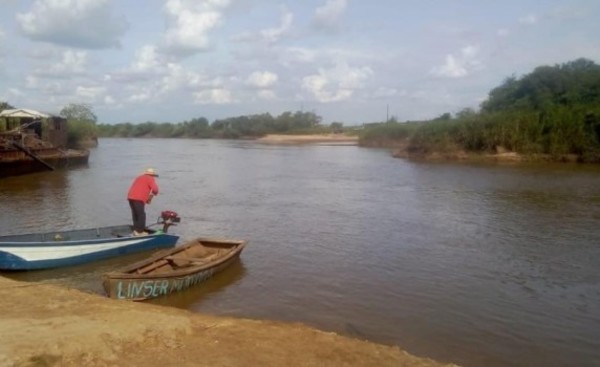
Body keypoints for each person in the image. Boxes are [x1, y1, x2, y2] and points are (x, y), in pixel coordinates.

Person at [127, 168, 159, 236]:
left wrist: (149, 197)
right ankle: (140, 232)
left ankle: (136, 230)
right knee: (141, 215)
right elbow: (155, 189)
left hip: (130, 197)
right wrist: (152, 196)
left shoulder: (139, 177)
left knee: (135, 213)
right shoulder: (150, 178)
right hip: (138, 198)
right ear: (152, 175)